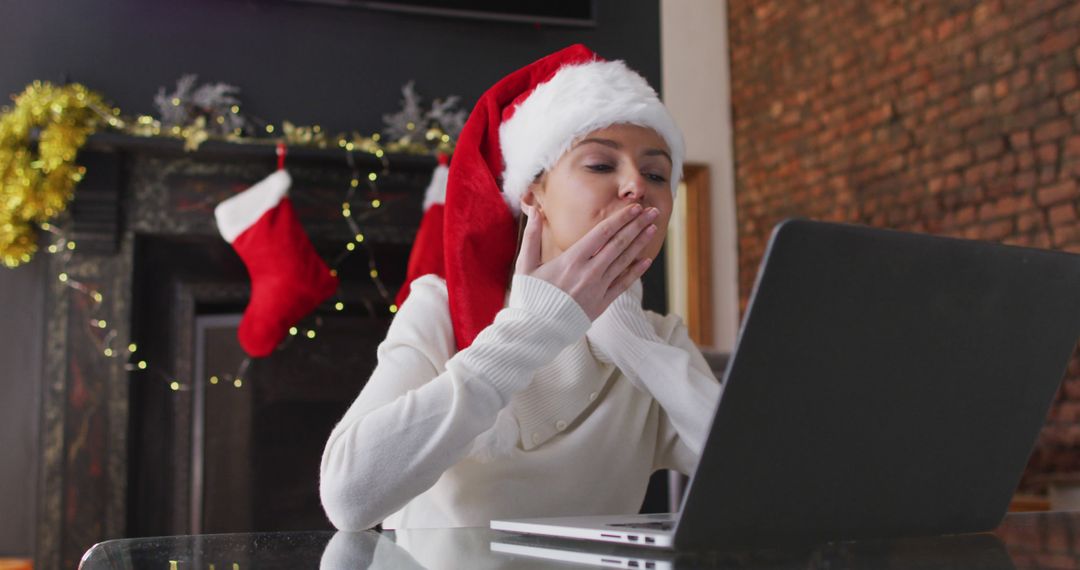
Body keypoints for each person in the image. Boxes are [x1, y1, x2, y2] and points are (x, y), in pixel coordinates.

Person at [319, 44, 722, 531]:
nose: (637, 185)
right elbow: (348, 499)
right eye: (600, 165)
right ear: (533, 194)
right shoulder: (439, 310)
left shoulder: (660, 340)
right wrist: (535, 327)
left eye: (657, 173)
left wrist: (639, 348)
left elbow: (766, 480)